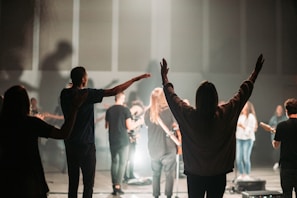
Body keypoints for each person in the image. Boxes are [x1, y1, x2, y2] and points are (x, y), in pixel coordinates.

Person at [160, 54, 264, 198]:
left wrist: (165, 79)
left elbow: (172, 98)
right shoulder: (225, 113)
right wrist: (255, 73)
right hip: (218, 172)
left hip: (194, 173)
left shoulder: (189, 115)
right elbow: (242, 94)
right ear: (215, 98)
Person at [60, 66, 150, 198]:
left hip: (70, 142)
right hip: (86, 144)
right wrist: (134, 79)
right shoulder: (87, 94)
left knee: (73, 182)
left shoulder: (64, 94)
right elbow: (114, 91)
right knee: (88, 184)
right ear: (84, 79)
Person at [0, 85, 86, 198]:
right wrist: (75, 108)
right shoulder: (31, 124)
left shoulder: (3, 124)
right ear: (25, 103)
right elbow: (63, 133)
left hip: (6, 180)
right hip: (30, 181)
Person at [105, 92, 143, 195]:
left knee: (114, 162)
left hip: (112, 139)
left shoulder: (109, 110)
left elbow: (106, 126)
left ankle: (114, 186)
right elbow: (129, 126)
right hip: (123, 140)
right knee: (122, 162)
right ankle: (118, 185)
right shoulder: (125, 110)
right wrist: (139, 122)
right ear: (122, 98)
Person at [144, 87, 178, 198]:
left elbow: (146, 125)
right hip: (168, 148)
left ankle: (156, 195)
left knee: (155, 174)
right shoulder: (169, 110)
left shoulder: (148, 112)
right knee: (169, 175)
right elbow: (177, 125)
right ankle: (168, 196)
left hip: (153, 148)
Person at [272, 98, 297, 198]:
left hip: (287, 166)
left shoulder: (281, 126)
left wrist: (277, 134)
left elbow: (276, 145)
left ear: (286, 111)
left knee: (286, 194)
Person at [236, 101, 258, 181]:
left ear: (248, 107)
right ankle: (242, 174)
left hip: (248, 139)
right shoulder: (240, 116)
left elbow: (251, 130)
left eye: (244, 106)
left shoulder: (251, 117)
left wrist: (243, 126)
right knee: (238, 158)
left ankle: (247, 174)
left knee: (246, 158)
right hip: (239, 138)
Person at [269, 104, 287, 170]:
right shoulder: (273, 119)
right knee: (276, 150)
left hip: (283, 137)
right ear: (276, 110)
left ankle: (282, 163)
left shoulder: (285, 118)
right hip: (274, 137)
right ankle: (276, 163)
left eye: (280, 109)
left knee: (283, 150)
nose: (279, 110)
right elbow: (270, 127)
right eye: (278, 109)